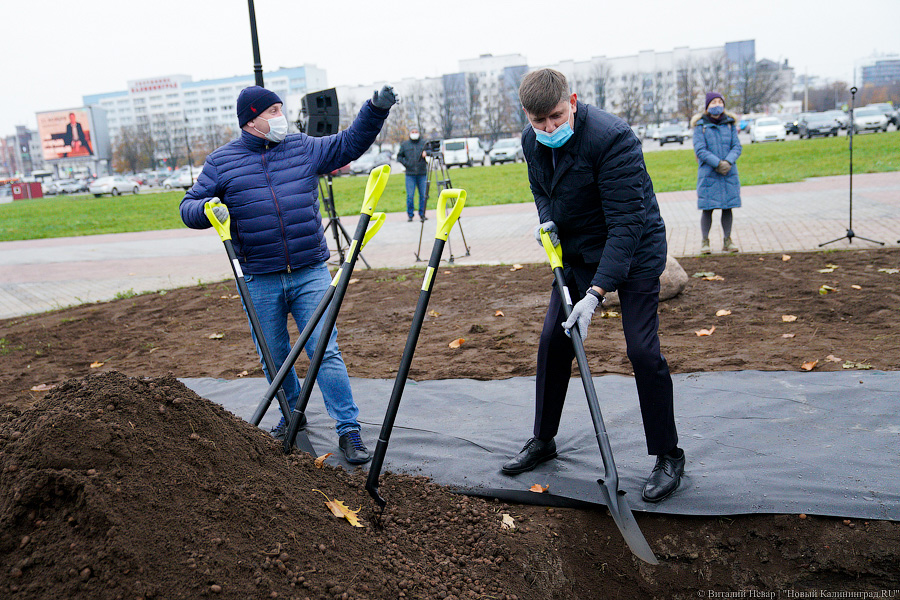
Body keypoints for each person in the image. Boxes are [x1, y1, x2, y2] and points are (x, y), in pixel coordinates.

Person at [179, 84, 397, 464]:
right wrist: (207, 208)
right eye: (274, 110)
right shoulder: (221, 162)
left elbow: (349, 143)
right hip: (259, 278)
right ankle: (292, 417)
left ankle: (349, 431)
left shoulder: (302, 147)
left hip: (310, 269)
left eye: (281, 108)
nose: (281, 117)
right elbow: (188, 206)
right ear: (252, 119)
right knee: (275, 357)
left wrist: (375, 110)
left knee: (324, 351)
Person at [502, 68, 684, 503]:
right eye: (538, 120)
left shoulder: (613, 138)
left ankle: (668, 455)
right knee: (552, 341)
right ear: (526, 115)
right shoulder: (532, 141)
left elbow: (626, 223)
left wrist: (597, 294)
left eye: (557, 117)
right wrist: (548, 219)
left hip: (634, 249)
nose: (548, 128)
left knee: (642, 350)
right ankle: (543, 439)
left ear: (574, 101)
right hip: (577, 251)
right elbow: (541, 189)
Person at [691, 92, 742, 254]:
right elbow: (700, 149)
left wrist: (727, 162)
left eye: (720, 102)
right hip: (709, 173)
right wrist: (718, 163)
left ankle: (728, 240)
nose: (717, 105)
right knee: (708, 208)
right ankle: (705, 242)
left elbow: (737, 146)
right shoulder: (701, 126)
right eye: (713, 102)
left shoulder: (730, 124)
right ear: (707, 107)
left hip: (729, 172)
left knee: (728, 207)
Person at [396, 127, 428, 222]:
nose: (414, 133)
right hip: (410, 174)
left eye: (416, 132)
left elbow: (431, 152)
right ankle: (410, 215)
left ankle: (422, 214)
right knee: (410, 196)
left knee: (423, 195)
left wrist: (426, 153)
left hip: (422, 173)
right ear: (410, 133)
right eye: (413, 132)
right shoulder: (405, 145)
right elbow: (399, 157)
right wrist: (407, 164)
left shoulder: (424, 143)